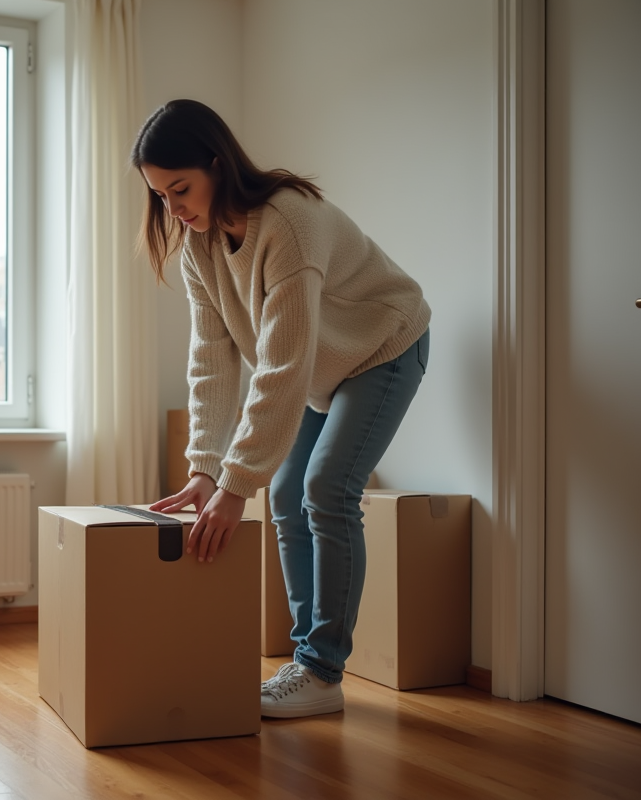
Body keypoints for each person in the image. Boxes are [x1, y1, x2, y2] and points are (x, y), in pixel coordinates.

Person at [138, 99, 431, 719]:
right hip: (322, 370)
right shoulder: (200, 246)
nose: (174, 208)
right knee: (288, 491)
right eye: (161, 196)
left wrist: (237, 482)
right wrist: (204, 468)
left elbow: (282, 364)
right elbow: (212, 359)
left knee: (325, 487)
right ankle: (307, 663)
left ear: (218, 165)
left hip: (382, 346)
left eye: (181, 188)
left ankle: (323, 672)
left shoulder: (289, 224)